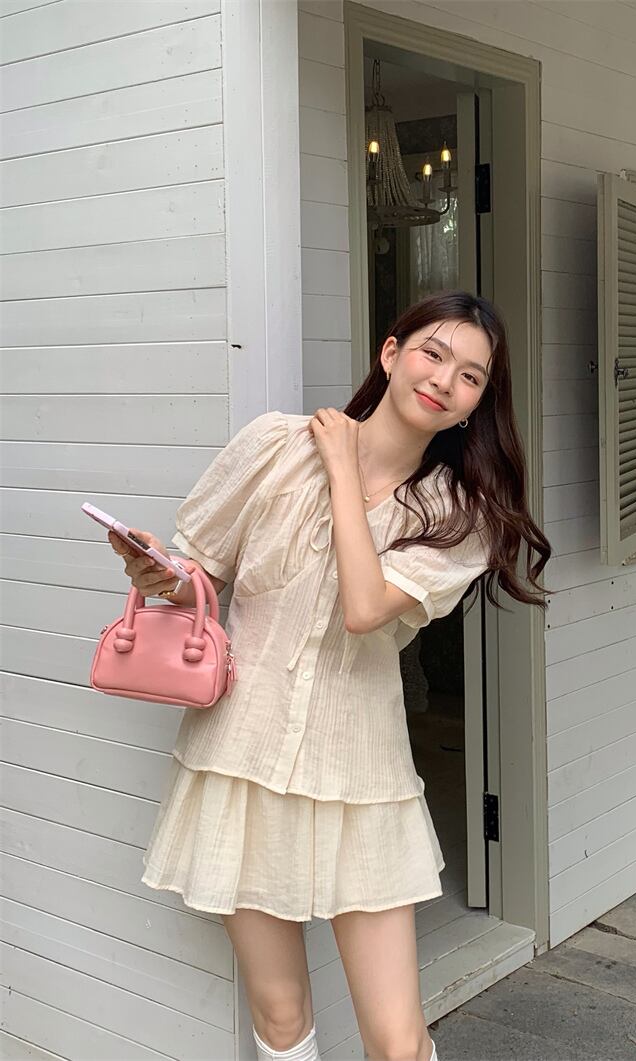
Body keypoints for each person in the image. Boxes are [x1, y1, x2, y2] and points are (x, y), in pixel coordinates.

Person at [108, 290, 552, 1061]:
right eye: (433, 353)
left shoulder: (461, 516)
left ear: (476, 405)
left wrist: (344, 468)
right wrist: (160, 573)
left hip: (360, 781)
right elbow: (203, 579)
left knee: (398, 1042)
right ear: (391, 352)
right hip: (239, 762)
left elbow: (364, 607)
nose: (445, 379)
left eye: (470, 376)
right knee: (280, 1016)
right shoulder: (272, 447)